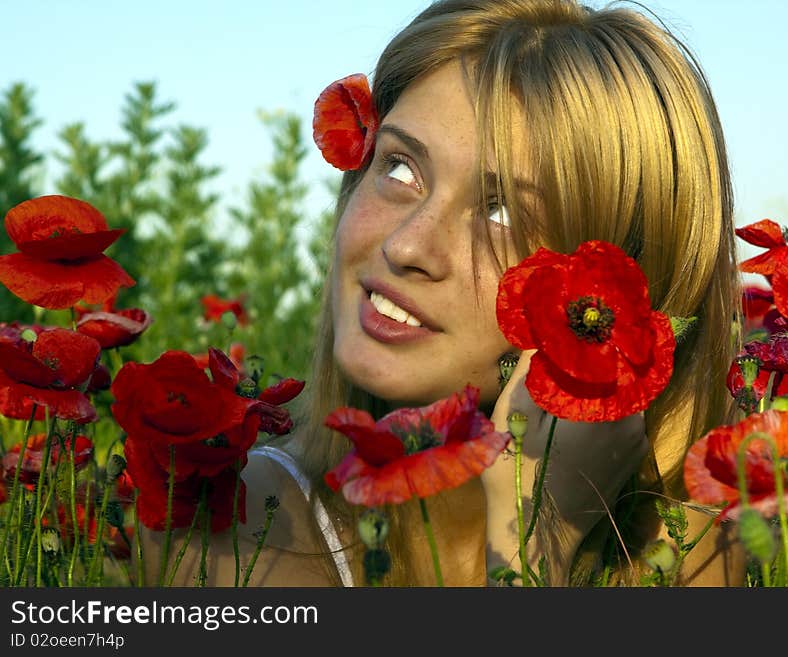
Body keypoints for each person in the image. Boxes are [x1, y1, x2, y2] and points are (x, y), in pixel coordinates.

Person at [147, 0, 744, 587]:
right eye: (401, 169)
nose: (407, 246)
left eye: (501, 211)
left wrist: (539, 528)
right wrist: (539, 548)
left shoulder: (691, 555)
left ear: (618, 301)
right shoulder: (227, 539)